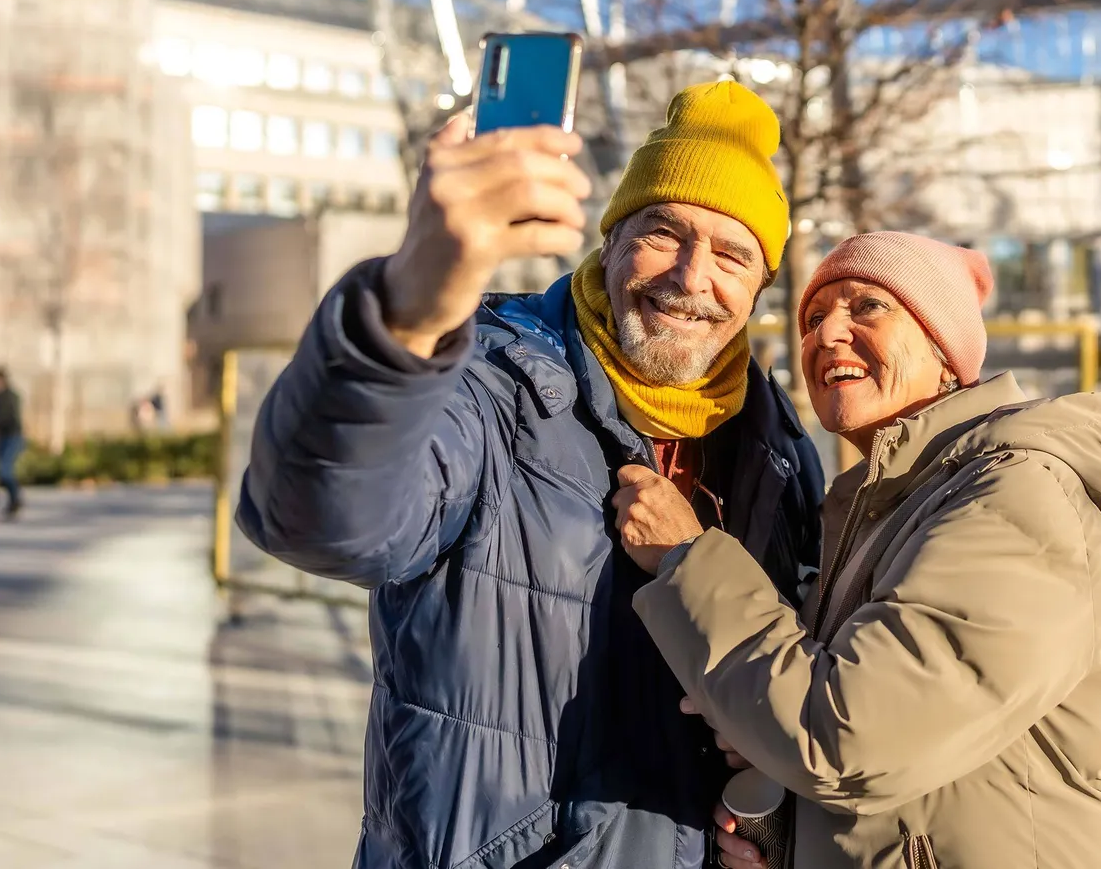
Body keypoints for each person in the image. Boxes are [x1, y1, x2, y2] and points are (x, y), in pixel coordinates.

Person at [236, 81, 824, 869]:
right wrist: (409, 305)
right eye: (663, 232)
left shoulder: (778, 444)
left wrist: (775, 831)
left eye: (732, 254)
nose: (692, 275)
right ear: (609, 241)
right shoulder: (487, 379)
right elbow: (324, 519)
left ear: (759, 286)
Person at [617, 231, 1101, 869]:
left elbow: (847, 738)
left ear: (945, 350)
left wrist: (687, 560)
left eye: (867, 307)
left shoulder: (1021, 493)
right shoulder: (886, 505)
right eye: (813, 318)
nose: (827, 334)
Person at [0, 369, 24, 519]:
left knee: (4, 471)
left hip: (12, 437)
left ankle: (15, 499)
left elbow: (7, 418)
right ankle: (11, 500)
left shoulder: (10, 396)